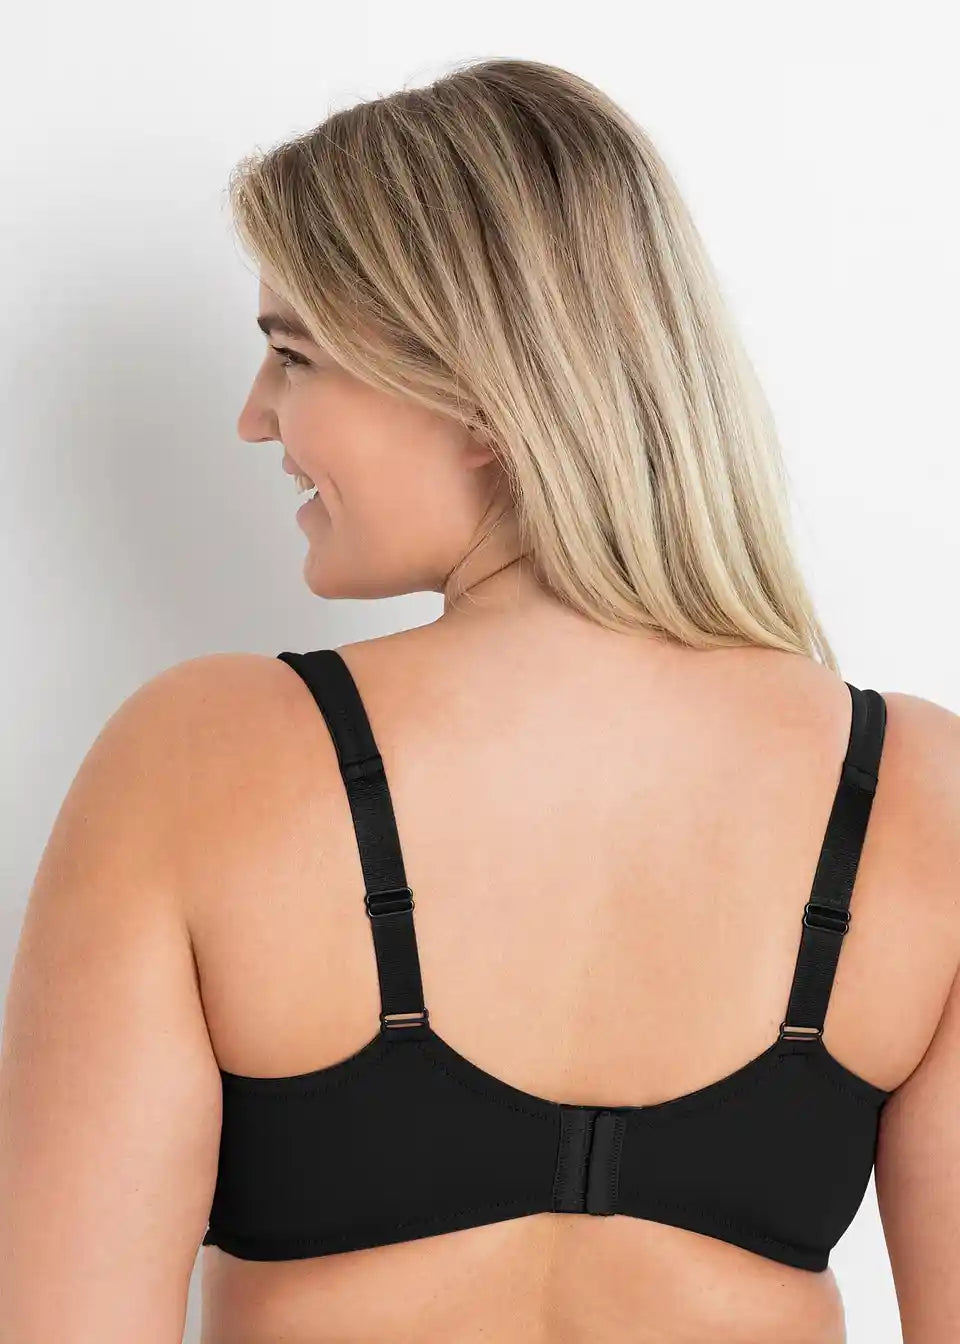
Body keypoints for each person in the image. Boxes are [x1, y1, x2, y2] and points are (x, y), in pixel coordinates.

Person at [1, 56, 957, 1344]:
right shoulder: (917, 794)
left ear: (480, 394)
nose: (254, 418)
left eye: (292, 356)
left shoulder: (198, 760)